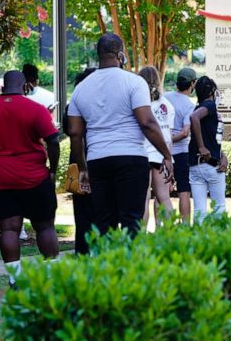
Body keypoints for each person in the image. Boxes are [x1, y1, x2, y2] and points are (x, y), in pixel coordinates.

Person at [67, 33, 173, 237]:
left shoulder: (81, 88)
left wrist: (82, 168)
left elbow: (75, 133)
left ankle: (106, 265)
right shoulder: (134, 82)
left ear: (98, 55)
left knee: (103, 221)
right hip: (131, 157)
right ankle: (129, 266)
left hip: (97, 160)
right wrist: (166, 155)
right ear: (120, 54)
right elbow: (147, 122)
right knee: (131, 219)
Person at [0, 70, 61, 287]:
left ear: (3, 87)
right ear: (25, 86)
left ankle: (15, 277)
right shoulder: (36, 110)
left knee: (9, 229)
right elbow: (53, 140)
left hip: (1, 178)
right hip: (35, 177)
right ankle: (53, 275)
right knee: (45, 226)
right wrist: (53, 170)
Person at [187, 76, 229, 223]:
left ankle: (200, 240)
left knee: (199, 210)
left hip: (195, 164)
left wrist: (222, 155)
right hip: (211, 164)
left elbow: (211, 137)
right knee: (219, 206)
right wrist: (202, 146)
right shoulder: (210, 106)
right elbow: (194, 118)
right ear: (212, 90)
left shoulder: (198, 107)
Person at [138, 65, 175, 226]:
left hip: (142, 153)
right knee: (164, 198)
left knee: (143, 199)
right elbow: (169, 137)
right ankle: (168, 234)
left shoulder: (140, 104)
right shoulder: (168, 105)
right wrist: (170, 159)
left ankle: (141, 236)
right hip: (162, 156)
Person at [66, 67, 96, 255]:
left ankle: (82, 251)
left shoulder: (71, 107)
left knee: (81, 212)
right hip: (92, 160)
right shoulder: (94, 106)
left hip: (77, 162)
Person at [164, 67, 196, 222]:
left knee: (161, 192)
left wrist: (165, 140)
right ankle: (184, 226)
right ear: (192, 84)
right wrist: (172, 139)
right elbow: (185, 132)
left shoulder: (165, 97)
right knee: (184, 190)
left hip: (163, 153)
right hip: (182, 152)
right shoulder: (189, 105)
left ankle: (160, 227)